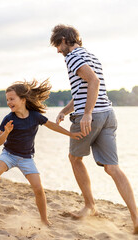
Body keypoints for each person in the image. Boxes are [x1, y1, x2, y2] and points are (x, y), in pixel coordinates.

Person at [50, 24, 138, 234]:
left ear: (64, 40)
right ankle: (135, 217)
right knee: (112, 167)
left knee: (75, 158)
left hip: (91, 117)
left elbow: (94, 81)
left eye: (57, 45)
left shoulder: (72, 57)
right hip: (108, 114)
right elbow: (85, 88)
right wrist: (65, 109)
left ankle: (90, 205)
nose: (57, 50)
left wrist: (87, 113)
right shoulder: (90, 55)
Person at [0, 79, 83, 226]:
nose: (9, 102)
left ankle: (44, 219)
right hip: (9, 154)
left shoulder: (35, 116)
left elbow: (52, 126)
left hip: (26, 158)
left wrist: (71, 134)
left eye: (12, 99)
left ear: (23, 99)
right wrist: (6, 132)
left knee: (39, 189)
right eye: (7, 100)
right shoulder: (8, 119)